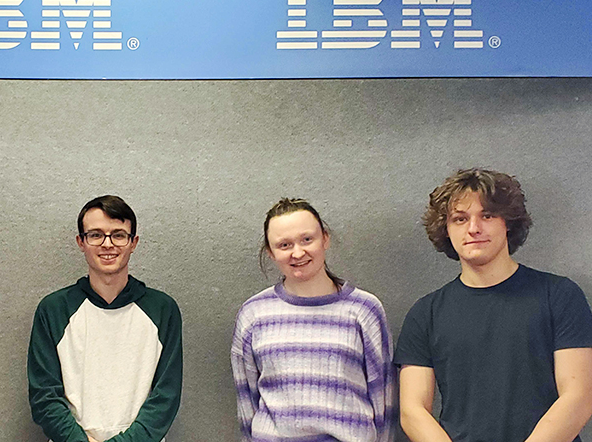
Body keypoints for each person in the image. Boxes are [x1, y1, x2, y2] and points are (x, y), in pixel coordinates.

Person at [395, 168, 592, 442]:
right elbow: (412, 412)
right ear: (446, 229)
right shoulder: (425, 314)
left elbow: (579, 397)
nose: (474, 228)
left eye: (487, 215)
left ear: (508, 222)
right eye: (460, 219)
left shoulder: (559, 296)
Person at [231, 198, 395, 442]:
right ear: (270, 252)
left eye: (307, 239)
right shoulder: (254, 314)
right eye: (284, 244)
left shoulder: (363, 309)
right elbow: (246, 399)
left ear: (325, 238)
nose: (298, 252)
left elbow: (384, 398)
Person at [28, 195, 182, 442]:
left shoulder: (163, 310)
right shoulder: (53, 310)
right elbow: (44, 396)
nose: (107, 244)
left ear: (134, 243)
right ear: (81, 242)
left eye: (119, 235)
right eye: (96, 235)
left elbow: (166, 396)